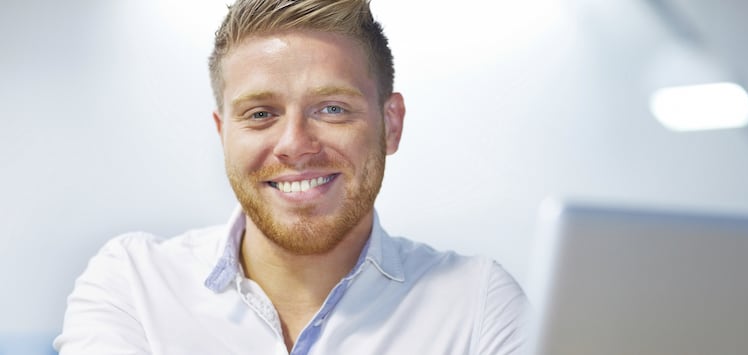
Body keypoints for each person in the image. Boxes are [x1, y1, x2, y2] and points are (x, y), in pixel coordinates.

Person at [54, 0, 528, 353]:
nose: (295, 144)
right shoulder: (133, 284)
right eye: (261, 113)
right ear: (223, 134)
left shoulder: (477, 304)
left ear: (391, 125)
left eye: (332, 109)